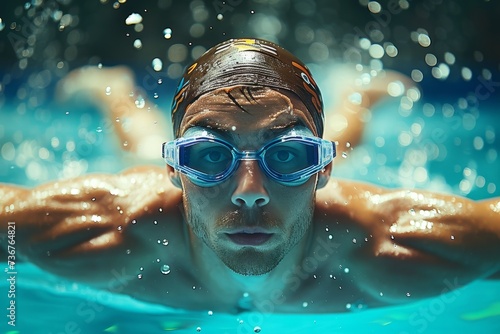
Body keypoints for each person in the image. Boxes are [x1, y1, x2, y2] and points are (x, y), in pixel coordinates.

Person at [1, 38, 499, 314]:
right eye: (207, 158)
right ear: (175, 168)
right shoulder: (103, 230)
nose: (250, 193)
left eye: (289, 158)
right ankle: (114, 91)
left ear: (322, 168)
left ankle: (359, 97)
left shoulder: (397, 243)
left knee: (346, 133)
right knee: (134, 143)